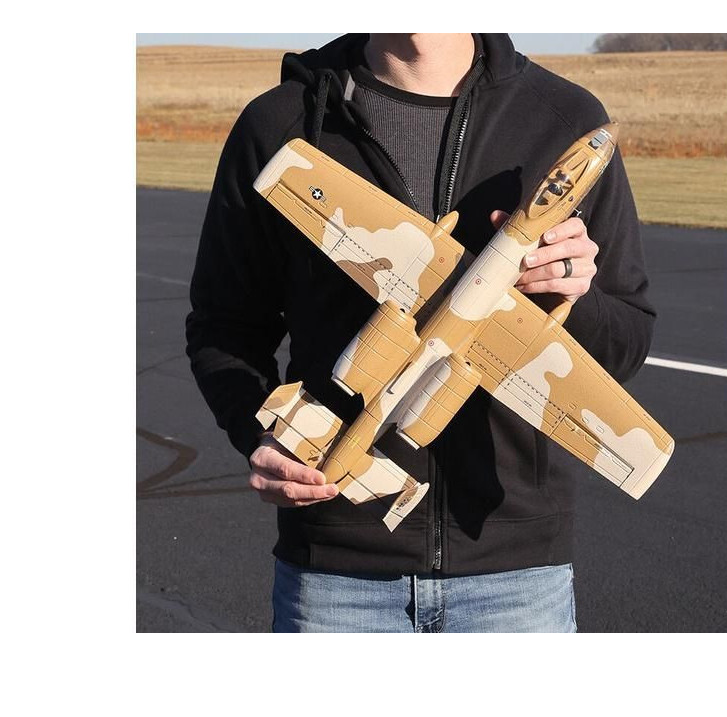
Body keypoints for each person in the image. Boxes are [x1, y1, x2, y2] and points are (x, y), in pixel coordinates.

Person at [185, 33, 655, 632]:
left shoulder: (565, 119)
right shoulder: (282, 124)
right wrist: (257, 431)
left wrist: (570, 300)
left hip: (515, 583)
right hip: (335, 578)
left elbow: (626, 343)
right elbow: (223, 323)